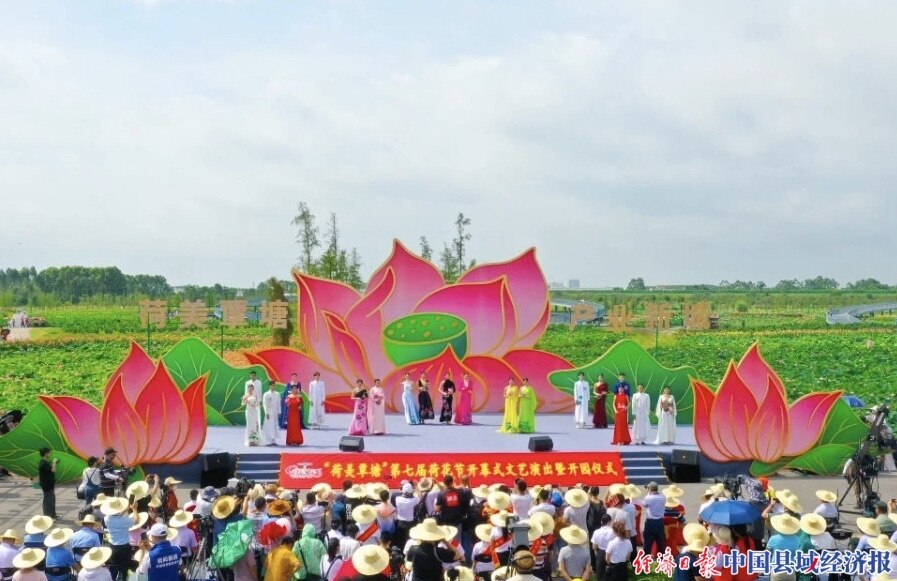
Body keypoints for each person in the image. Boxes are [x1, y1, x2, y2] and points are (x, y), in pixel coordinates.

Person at [641, 482, 666, 556]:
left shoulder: (648, 498)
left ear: (650, 489)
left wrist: (648, 493)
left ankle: (645, 559)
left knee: (647, 544)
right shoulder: (662, 497)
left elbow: (644, 504)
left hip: (650, 523)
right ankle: (662, 559)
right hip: (660, 522)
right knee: (661, 544)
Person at [38, 448, 59, 519]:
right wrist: (54, 462)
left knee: (52, 499)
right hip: (46, 485)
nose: (50, 454)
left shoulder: (45, 462)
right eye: (49, 453)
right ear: (46, 454)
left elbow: (50, 470)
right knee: (48, 500)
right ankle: (48, 517)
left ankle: (53, 515)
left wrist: (53, 463)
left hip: (49, 484)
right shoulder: (43, 463)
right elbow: (53, 470)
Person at [262, 380, 281, 446]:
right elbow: (264, 404)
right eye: (272, 385)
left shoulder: (277, 394)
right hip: (269, 412)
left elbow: (279, 404)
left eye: (274, 385)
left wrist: (279, 412)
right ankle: (268, 441)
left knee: (274, 426)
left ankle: (273, 440)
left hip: (275, 412)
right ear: (269, 386)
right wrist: (266, 412)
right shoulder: (266, 394)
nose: (273, 387)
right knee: (268, 426)